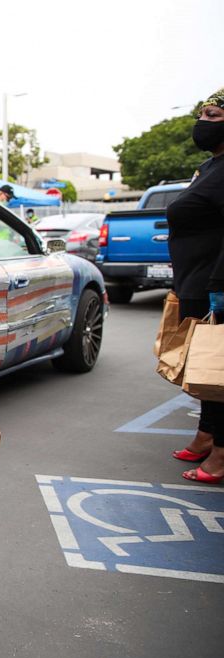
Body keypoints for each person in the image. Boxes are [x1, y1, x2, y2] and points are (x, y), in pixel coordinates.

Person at [167, 86, 224, 484]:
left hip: (214, 282)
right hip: (196, 280)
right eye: (201, 115)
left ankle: (220, 456)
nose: (202, 123)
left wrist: (219, 284)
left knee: (220, 369)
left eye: (213, 116)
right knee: (204, 366)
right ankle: (206, 436)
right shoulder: (210, 167)